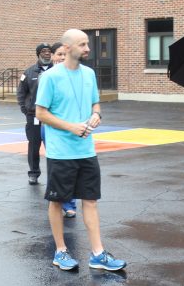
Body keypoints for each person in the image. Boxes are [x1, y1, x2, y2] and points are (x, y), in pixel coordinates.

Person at [36, 29, 126, 272]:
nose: (88, 48)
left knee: (90, 200)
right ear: (67, 48)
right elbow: (41, 113)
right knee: (57, 202)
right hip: (61, 152)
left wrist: (96, 114)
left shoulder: (89, 74)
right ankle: (61, 251)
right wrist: (71, 127)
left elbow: (95, 103)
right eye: (83, 44)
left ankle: (97, 254)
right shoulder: (51, 77)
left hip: (86, 150)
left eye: (87, 44)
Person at [48, 41, 78, 218]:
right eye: (58, 54)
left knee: (70, 168)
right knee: (56, 168)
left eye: (64, 54)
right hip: (47, 128)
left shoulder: (75, 76)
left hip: (69, 128)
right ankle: (56, 199)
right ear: (52, 56)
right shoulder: (43, 75)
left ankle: (69, 204)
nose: (61, 57)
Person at [17, 43, 53, 185]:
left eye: (49, 51)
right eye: (43, 51)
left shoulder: (57, 71)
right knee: (34, 146)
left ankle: (53, 174)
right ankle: (33, 173)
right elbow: (21, 93)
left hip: (52, 116)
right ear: (38, 54)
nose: (47, 54)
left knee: (52, 146)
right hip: (34, 116)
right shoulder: (29, 72)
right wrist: (25, 109)